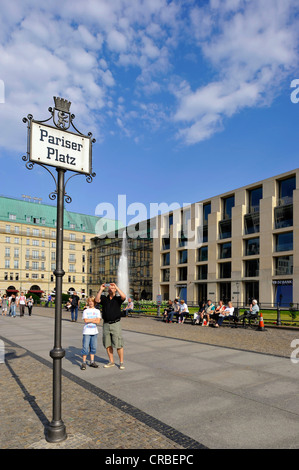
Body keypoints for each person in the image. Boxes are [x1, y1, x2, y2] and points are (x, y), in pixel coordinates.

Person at [95, 282, 126, 370]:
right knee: (107, 343)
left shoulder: (118, 299)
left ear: (115, 290)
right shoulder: (104, 298)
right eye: (110, 288)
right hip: (106, 324)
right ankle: (111, 361)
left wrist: (116, 286)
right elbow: (97, 300)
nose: (111, 289)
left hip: (116, 324)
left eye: (113, 288)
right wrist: (101, 289)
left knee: (119, 344)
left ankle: (121, 362)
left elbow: (124, 296)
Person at [80, 296, 102, 370]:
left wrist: (90, 319)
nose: (91, 303)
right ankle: (84, 362)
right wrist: (93, 319)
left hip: (94, 331)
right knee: (85, 348)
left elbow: (98, 321)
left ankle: (92, 361)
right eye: (89, 301)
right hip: (86, 332)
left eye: (92, 301)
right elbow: (85, 320)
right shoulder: (86, 311)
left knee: (93, 347)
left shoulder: (97, 311)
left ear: (94, 302)